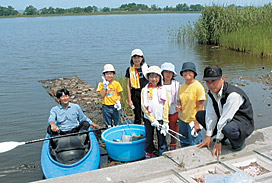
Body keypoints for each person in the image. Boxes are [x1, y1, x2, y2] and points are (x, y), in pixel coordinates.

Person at [196, 66, 254, 158]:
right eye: (208, 82)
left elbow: (226, 118)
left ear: (222, 79)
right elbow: (211, 114)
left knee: (228, 129)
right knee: (200, 115)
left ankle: (238, 142)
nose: (211, 85)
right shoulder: (212, 93)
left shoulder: (233, 95)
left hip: (241, 122)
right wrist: (208, 136)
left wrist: (218, 141)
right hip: (225, 117)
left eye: (214, 81)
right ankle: (223, 136)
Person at [141, 66, 169, 158]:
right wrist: (152, 120)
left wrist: (165, 122)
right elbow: (144, 106)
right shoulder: (145, 90)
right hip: (149, 119)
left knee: (162, 138)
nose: (154, 79)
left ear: (160, 78)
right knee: (149, 137)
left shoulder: (163, 89)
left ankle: (163, 154)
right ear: (148, 78)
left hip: (160, 118)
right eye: (151, 76)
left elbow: (166, 106)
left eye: (156, 76)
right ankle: (149, 152)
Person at [176, 62, 206, 147]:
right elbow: (181, 101)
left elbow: (201, 106)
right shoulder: (182, 87)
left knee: (195, 144)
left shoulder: (198, 86)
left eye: (190, 71)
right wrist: (180, 107)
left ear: (194, 73)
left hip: (194, 121)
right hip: (183, 120)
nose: (187, 73)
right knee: (184, 142)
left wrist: (198, 123)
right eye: (185, 71)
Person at [125, 49, 149, 124]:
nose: (137, 59)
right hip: (135, 94)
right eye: (134, 57)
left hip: (145, 93)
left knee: (146, 112)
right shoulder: (129, 70)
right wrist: (129, 100)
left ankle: (147, 129)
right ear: (132, 59)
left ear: (142, 58)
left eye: (138, 57)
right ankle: (138, 127)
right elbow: (128, 85)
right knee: (137, 113)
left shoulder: (147, 68)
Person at [97, 64, 123, 128]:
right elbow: (102, 95)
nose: (109, 75)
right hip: (106, 107)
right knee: (108, 124)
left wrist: (118, 102)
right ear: (104, 75)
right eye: (107, 74)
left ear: (114, 74)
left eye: (111, 73)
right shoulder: (101, 84)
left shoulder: (116, 84)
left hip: (115, 106)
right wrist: (105, 87)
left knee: (117, 122)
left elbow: (119, 95)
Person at [161, 62, 180, 150]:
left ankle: (173, 145)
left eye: (170, 72)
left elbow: (181, 97)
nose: (168, 74)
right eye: (166, 72)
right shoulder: (159, 85)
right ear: (162, 73)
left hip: (173, 110)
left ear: (173, 74)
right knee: (162, 130)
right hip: (161, 112)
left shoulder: (176, 84)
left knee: (174, 129)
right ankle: (163, 146)